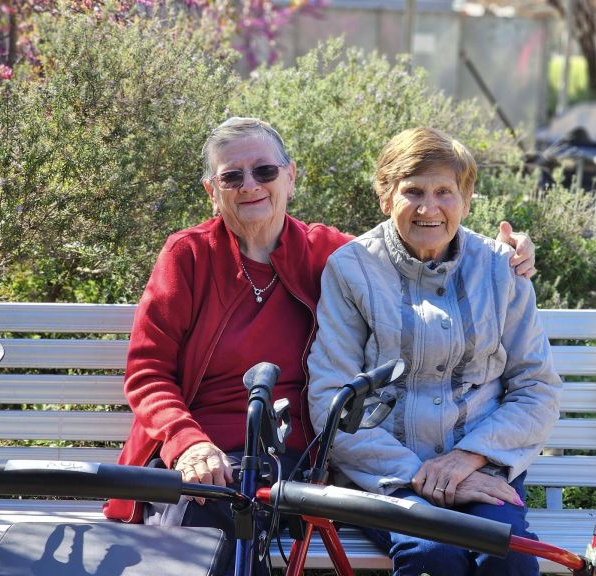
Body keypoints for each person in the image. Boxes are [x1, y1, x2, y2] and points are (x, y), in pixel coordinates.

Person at [101, 117, 536, 574]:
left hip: (280, 455)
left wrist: (508, 254)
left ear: (290, 176)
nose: (250, 186)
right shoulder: (188, 255)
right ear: (213, 189)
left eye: (264, 172)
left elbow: (416, 238)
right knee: (200, 532)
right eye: (232, 176)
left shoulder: (326, 251)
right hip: (200, 455)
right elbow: (148, 370)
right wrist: (186, 442)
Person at [307, 127, 562, 576]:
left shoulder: (502, 269)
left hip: (483, 467)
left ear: (465, 200)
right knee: (431, 556)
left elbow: (536, 388)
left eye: (445, 191)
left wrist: (467, 460)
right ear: (385, 197)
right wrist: (420, 475)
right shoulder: (350, 270)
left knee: (509, 557)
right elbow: (333, 399)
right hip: (386, 477)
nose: (429, 208)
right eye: (413, 192)